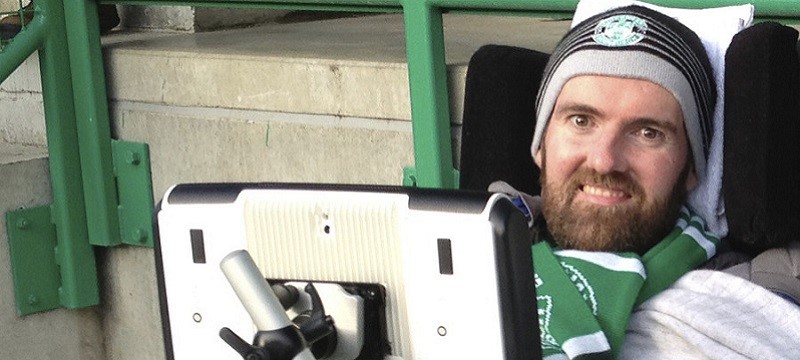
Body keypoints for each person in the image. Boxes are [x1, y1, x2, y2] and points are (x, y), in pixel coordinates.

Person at [491, 3, 800, 359]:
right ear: (541, 145)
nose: (604, 160)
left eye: (647, 132)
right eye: (581, 121)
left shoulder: (752, 307)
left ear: (691, 168)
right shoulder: (457, 263)